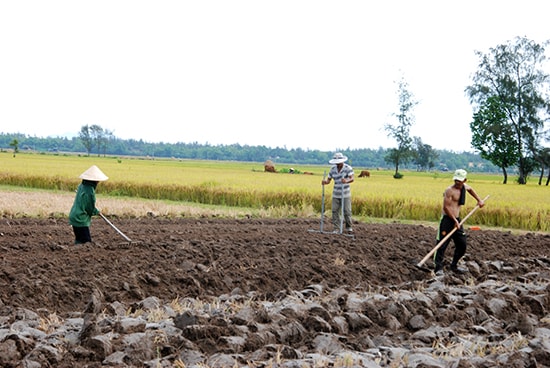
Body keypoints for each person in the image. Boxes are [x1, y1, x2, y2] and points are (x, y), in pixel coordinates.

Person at [434, 169, 485, 275]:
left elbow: (470, 189)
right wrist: (454, 221)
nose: (457, 182)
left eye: (459, 180)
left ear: (464, 180)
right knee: (441, 244)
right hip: (447, 220)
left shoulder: (464, 187)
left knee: (462, 245)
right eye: (456, 180)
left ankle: (454, 266)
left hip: (457, 220)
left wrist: (479, 200)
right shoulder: (449, 190)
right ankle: (438, 268)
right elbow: (446, 207)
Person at [69, 165, 109, 244]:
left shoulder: (81, 186)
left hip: (74, 216)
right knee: (86, 242)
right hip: (80, 218)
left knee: (79, 240)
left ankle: (75, 252)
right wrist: (96, 212)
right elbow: (89, 208)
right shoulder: (90, 191)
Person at [321, 152, 355, 233]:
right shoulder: (333, 169)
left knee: (347, 211)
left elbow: (352, 178)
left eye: (339, 162)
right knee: (334, 211)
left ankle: (348, 226)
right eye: (336, 163)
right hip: (336, 193)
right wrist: (325, 182)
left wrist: (346, 180)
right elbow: (329, 180)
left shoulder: (348, 168)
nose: (337, 164)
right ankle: (336, 228)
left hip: (345, 193)